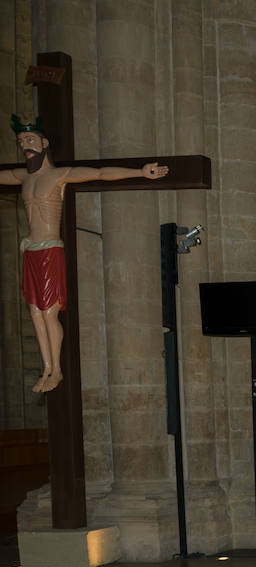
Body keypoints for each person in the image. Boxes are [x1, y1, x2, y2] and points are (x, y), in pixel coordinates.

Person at [1, 116, 168, 393]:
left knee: (49, 312)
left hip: (50, 250)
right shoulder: (23, 177)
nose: (25, 147)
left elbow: (100, 172)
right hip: (30, 250)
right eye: (21, 143)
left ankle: (57, 370)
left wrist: (140, 171)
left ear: (44, 143)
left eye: (30, 140)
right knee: (34, 313)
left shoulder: (59, 175)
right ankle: (46, 368)